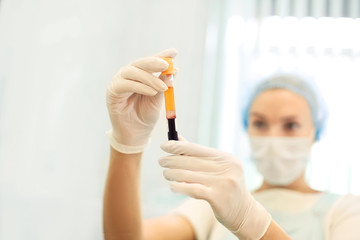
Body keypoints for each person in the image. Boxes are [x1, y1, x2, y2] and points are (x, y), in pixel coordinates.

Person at [103, 49, 360, 240]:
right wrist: (127, 145)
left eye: (290, 125)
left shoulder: (345, 211)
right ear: (246, 129)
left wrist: (251, 221)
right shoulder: (217, 204)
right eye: (260, 123)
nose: (273, 137)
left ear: (315, 132)